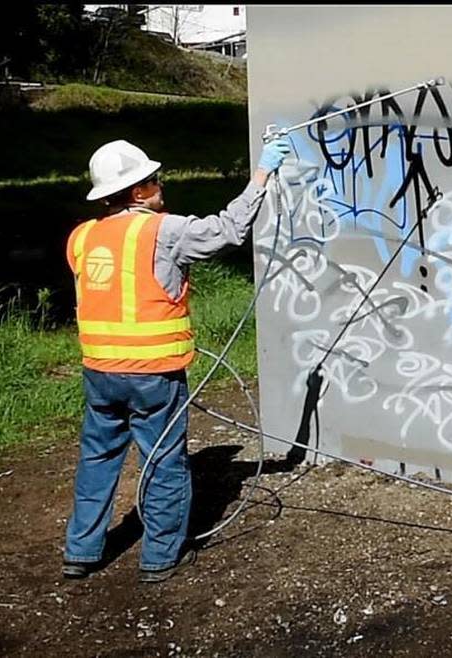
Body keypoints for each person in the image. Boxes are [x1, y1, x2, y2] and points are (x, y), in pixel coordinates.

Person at [61, 136, 291, 583]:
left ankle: (80, 552)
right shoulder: (162, 231)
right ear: (135, 192)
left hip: (99, 374)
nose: (159, 185)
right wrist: (262, 174)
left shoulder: (82, 237)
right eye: (152, 180)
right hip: (154, 375)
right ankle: (160, 558)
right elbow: (228, 231)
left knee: (97, 460)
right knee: (164, 461)